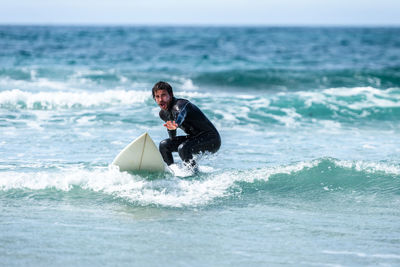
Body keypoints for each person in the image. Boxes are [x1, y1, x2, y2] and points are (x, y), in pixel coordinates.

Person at [152, 81, 221, 169]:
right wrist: (171, 129)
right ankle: (172, 171)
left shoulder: (181, 104)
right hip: (194, 138)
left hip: (212, 139)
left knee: (183, 148)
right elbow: (172, 138)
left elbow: (181, 114)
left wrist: (176, 123)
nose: (160, 99)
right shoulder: (163, 114)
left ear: (171, 94)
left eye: (164, 95)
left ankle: (193, 176)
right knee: (164, 145)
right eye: (157, 97)